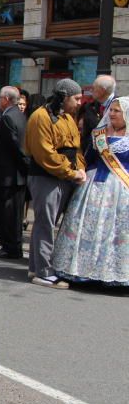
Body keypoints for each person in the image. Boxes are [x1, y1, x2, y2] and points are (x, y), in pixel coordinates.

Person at [53, 97, 129, 285]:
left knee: (117, 231)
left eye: (117, 111)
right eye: (111, 110)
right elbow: (88, 157)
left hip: (122, 187)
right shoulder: (99, 134)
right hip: (94, 185)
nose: (111, 114)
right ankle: (82, 270)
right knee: (88, 226)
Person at [24, 79, 86, 289]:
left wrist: (81, 169)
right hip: (46, 177)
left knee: (48, 222)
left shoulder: (67, 117)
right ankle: (43, 270)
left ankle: (37, 266)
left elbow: (75, 147)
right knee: (45, 223)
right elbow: (45, 154)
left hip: (63, 176)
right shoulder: (41, 116)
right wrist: (70, 172)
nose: (79, 102)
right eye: (76, 98)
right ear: (64, 96)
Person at [0, 86, 28, 260]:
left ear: (5, 99)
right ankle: (14, 245)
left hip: (7, 175)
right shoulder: (19, 115)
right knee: (14, 214)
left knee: (7, 213)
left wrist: (24, 167)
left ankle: (10, 247)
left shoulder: (9, 118)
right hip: (14, 175)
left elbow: (16, 147)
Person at [80, 75, 116, 154]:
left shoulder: (121, 106)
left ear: (102, 90)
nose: (91, 90)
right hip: (92, 156)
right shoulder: (89, 107)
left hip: (113, 156)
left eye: (94, 88)